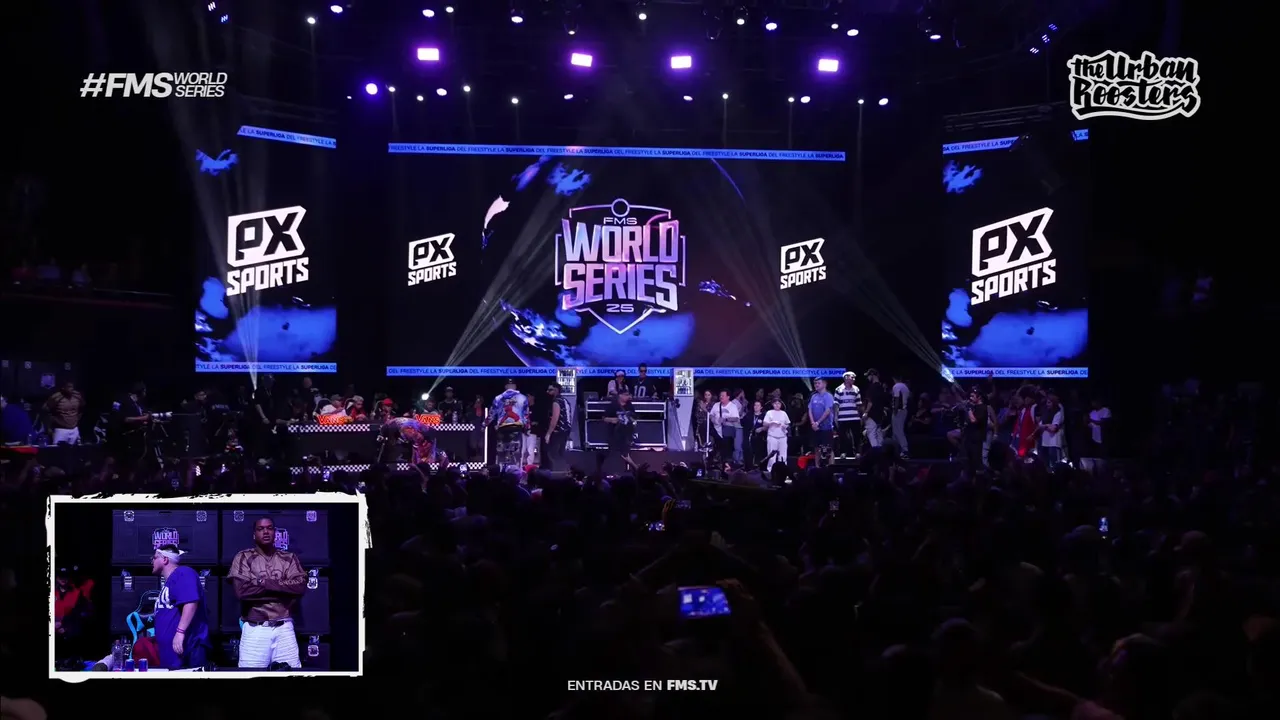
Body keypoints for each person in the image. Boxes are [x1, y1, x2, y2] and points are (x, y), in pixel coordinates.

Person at [229, 517, 308, 669]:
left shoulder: (289, 558)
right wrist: (282, 590)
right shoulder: (243, 557)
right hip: (255, 630)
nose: (266, 532)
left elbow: (300, 587)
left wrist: (262, 583)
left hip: (284, 628)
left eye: (269, 528)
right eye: (260, 529)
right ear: (254, 534)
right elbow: (241, 591)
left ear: (275, 532)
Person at [150, 544, 211, 670]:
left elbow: (191, 601)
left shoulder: (183, 572)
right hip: (171, 654)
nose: (152, 561)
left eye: (154, 558)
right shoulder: (170, 581)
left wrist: (180, 632)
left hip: (187, 649)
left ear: (165, 559)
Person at [489, 379, 528, 467]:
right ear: (515, 386)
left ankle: (501, 471)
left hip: (502, 429)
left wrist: (484, 425)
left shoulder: (498, 398)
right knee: (516, 453)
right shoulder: (523, 398)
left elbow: (491, 414)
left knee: (501, 453)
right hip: (516, 429)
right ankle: (515, 471)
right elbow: (526, 415)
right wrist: (527, 428)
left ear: (505, 386)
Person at [601, 388, 637, 470]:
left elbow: (634, 418)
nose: (628, 397)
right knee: (617, 452)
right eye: (626, 395)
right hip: (615, 432)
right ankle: (635, 467)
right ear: (620, 396)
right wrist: (613, 420)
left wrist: (630, 419)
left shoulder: (629, 405)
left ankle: (633, 468)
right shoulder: (613, 405)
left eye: (628, 395)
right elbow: (604, 418)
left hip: (626, 432)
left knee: (625, 451)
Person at [832, 372, 862, 459]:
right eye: (852, 377)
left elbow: (859, 404)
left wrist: (860, 416)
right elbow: (836, 404)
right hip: (842, 417)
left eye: (854, 378)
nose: (854, 379)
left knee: (856, 435)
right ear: (846, 378)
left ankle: (857, 452)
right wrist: (836, 416)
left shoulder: (856, 389)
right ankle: (843, 452)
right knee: (842, 436)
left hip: (854, 416)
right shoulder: (839, 389)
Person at [45, 381, 85, 445]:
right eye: (69, 387)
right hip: (61, 430)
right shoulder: (56, 397)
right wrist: (49, 426)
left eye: (72, 387)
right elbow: (45, 409)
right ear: (63, 388)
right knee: (58, 450)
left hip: (74, 429)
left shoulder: (77, 396)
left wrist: (77, 419)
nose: (71, 389)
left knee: (75, 450)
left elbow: (83, 408)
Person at [542, 382, 571, 471]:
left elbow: (555, 418)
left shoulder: (556, 401)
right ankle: (563, 471)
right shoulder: (565, 400)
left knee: (553, 454)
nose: (547, 392)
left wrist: (548, 433)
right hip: (566, 431)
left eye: (550, 390)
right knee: (560, 453)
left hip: (558, 431)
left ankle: (557, 472)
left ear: (556, 390)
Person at [709, 389, 741, 466]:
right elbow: (711, 415)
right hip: (716, 430)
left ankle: (726, 463)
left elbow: (736, 418)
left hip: (727, 430)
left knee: (727, 448)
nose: (721, 397)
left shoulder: (732, 406)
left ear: (728, 397)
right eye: (720, 395)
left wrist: (726, 419)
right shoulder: (716, 405)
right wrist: (713, 419)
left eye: (723, 395)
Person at [807, 379, 835, 466]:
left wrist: (818, 423)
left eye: (818, 383)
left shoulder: (828, 396)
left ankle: (831, 468)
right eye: (815, 383)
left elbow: (827, 411)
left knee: (828, 448)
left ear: (824, 384)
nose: (816, 385)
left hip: (826, 427)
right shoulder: (813, 396)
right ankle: (817, 468)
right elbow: (810, 410)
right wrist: (813, 423)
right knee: (816, 448)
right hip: (815, 428)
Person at [961, 387, 988, 472]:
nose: (970, 398)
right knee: (968, 462)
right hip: (970, 437)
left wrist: (969, 409)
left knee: (976, 462)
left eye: (973, 396)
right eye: (970, 396)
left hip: (976, 439)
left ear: (979, 397)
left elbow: (973, 420)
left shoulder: (983, 407)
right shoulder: (975, 406)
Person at [862, 369, 888, 450]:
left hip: (872, 415)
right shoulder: (881, 387)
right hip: (879, 415)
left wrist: (866, 412)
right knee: (879, 435)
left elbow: (870, 402)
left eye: (868, 375)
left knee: (871, 435)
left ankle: (876, 454)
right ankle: (882, 453)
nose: (867, 378)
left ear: (872, 374)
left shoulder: (871, 388)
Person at [763, 397, 790, 472]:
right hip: (772, 436)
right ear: (772, 404)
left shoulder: (784, 413)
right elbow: (764, 424)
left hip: (782, 437)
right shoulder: (769, 412)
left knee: (783, 455)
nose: (777, 405)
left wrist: (785, 426)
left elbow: (788, 424)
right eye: (775, 403)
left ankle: (783, 471)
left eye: (778, 403)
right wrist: (771, 423)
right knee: (772, 455)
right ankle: (770, 470)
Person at [891, 373, 911, 458]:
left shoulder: (896, 386)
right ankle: (896, 450)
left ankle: (905, 450)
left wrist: (895, 410)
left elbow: (897, 398)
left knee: (898, 431)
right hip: (904, 410)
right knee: (896, 431)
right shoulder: (905, 386)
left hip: (898, 411)